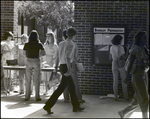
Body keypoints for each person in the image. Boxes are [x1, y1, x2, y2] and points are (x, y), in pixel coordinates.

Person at [43, 28, 85, 114]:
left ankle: (76, 106)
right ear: (73, 35)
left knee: (71, 87)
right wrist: (69, 70)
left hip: (62, 66)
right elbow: (68, 57)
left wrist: (56, 66)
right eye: (75, 35)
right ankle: (48, 106)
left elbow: (58, 56)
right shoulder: (72, 44)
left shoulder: (61, 43)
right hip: (67, 66)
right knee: (61, 88)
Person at [118, 31, 149, 118]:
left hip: (144, 74)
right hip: (137, 75)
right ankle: (145, 117)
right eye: (144, 37)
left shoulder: (144, 48)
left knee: (137, 99)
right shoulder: (135, 48)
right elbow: (131, 63)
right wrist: (127, 76)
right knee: (144, 98)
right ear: (139, 39)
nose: (146, 39)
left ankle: (123, 112)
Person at [63, 30, 85, 103]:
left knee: (65, 82)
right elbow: (76, 57)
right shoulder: (74, 44)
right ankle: (79, 98)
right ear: (73, 35)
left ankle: (66, 98)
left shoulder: (61, 44)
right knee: (75, 82)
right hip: (71, 64)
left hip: (63, 64)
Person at [23, 30, 46, 101]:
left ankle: (27, 96)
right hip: (36, 60)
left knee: (28, 79)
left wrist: (28, 55)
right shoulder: (39, 44)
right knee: (36, 80)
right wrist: (39, 55)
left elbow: (24, 54)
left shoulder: (26, 44)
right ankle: (37, 97)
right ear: (37, 36)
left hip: (29, 60)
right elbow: (44, 53)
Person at [109, 34, 129, 101]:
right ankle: (126, 96)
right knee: (124, 80)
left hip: (114, 63)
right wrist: (128, 50)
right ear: (119, 40)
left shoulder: (111, 47)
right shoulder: (121, 47)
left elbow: (110, 57)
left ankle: (115, 96)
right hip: (121, 64)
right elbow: (124, 57)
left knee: (115, 81)